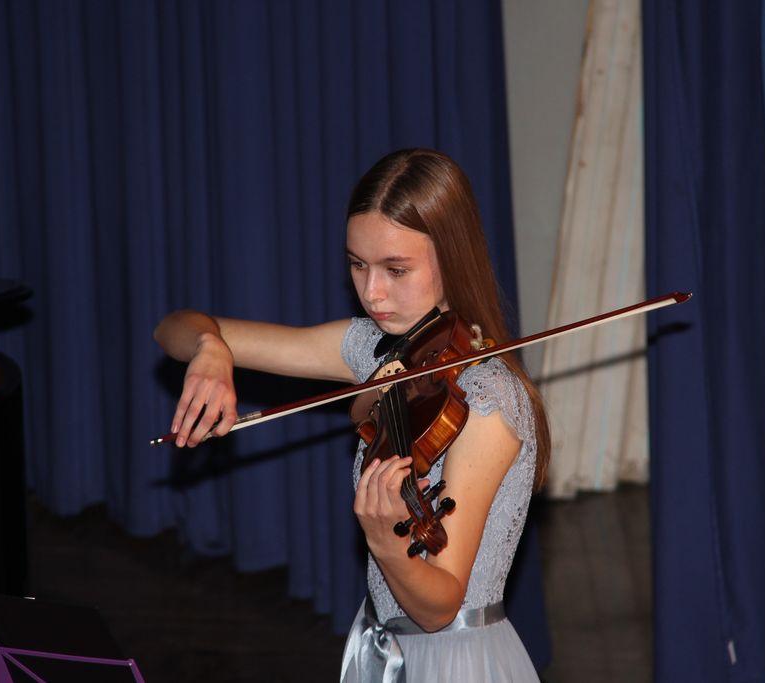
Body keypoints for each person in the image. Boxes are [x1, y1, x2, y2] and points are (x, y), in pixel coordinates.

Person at [153, 148, 550, 682]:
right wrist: (210, 347)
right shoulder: (377, 351)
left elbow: (440, 607)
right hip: (383, 644)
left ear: (452, 257)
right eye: (357, 264)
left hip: (453, 661)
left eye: (396, 269)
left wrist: (386, 541)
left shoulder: (487, 402)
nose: (371, 292)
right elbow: (171, 328)